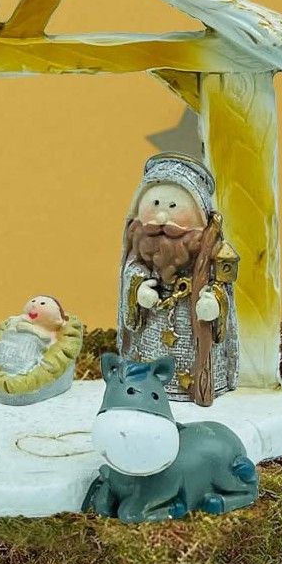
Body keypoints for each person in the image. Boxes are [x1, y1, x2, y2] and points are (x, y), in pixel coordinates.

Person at [117, 154, 240, 405]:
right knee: (149, 354)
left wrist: (215, 301)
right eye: (155, 204)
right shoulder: (141, 240)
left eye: (173, 207)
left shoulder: (211, 247)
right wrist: (137, 288)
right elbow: (132, 268)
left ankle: (197, 387)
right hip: (152, 324)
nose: (162, 218)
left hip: (190, 325)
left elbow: (221, 283)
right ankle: (147, 383)